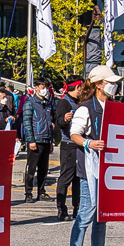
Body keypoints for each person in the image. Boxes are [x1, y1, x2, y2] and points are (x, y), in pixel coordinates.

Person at [65, 64, 121, 246]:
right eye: (111, 83)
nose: (114, 87)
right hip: (90, 169)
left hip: (109, 167)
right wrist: (89, 144)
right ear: (98, 85)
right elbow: (74, 134)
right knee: (86, 213)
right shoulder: (85, 108)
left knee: (102, 214)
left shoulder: (114, 107)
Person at [19, 81, 55, 202]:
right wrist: (30, 140)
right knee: (31, 168)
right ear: (36, 88)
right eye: (43, 87)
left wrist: (51, 141)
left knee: (43, 169)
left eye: (46, 87)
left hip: (46, 139)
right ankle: (28, 193)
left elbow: (50, 123)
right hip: (36, 140)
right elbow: (27, 123)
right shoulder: (30, 103)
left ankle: (41, 191)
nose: (45, 90)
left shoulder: (48, 104)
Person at [51, 79, 82, 218]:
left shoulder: (79, 102)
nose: (81, 91)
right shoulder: (64, 102)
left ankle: (77, 208)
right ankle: (61, 208)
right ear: (75, 88)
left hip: (79, 144)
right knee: (66, 177)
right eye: (80, 88)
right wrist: (65, 119)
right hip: (68, 145)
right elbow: (59, 123)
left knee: (78, 179)